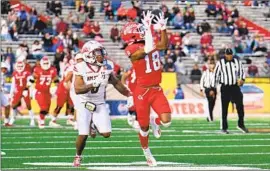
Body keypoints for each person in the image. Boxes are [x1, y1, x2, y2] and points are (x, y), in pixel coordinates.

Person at [121, 11, 171, 166]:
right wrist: (149, 28)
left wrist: (163, 28)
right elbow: (148, 49)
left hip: (156, 89)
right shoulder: (131, 49)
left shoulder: (146, 42)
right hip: (142, 91)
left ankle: (155, 122)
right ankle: (146, 151)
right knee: (143, 127)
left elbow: (164, 45)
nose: (142, 30)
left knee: (167, 121)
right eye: (139, 29)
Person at [72, 41, 131, 167]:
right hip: (84, 102)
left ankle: (92, 124)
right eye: (97, 53)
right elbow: (77, 89)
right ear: (88, 54)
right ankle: (78, 156)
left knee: (106, 134)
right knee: (83, 134)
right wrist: (93, 84)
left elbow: (116, 83)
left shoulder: (107, 66)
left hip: (99, 102)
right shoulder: (81, 67)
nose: (101, 55)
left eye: (101, 52)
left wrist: (128, 94)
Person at [211, 48, 248, 134]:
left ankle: (241, 124)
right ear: (225, 55)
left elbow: (242, 71)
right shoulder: (220, 63)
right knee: (224, 108)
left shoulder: (237, 61)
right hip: (225, 87)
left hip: (235, 87)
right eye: (228, 54)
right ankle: (224, 127)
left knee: (240, 106)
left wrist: (242, 79)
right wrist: (213, 88)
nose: (229, 56)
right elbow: (216, 75)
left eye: (231, 54)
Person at [33, 56, 58, 129]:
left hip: (47, 91)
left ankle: (40, 118)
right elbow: (32, 78)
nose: (46, 64)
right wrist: (26, 89)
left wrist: (56, 87)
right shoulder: (37, 69)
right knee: (43, 107)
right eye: (44, 63)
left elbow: (55, 78)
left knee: (47, 108)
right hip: (39, 91)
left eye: (47, 63)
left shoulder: (53, 70)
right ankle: (41, 121)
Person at [49, 59, 75, 127]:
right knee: (59, 106)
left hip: (71, 88)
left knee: (71, 105)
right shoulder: (70, 69)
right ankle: (52, 120)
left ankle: (70, 119)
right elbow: (67, 81)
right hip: (64, 87)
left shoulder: (74, 67)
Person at [9, 60, 35, 126]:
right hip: (18, 90)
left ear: (23, 66)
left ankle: (32, 120)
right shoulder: (14, 73)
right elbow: (13, 84)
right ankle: (13, 118)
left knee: (29, 105)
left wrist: (28, 90)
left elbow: (32, 80)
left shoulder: (27, 72)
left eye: (21, 66)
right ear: (16, 66)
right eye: (18, 66)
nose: (20, 67)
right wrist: (11, 93)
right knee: (14, 105)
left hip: (25, 90)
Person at [121, 67, 140, 131]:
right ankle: (130, 114)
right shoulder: (130, 69)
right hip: (132, 90)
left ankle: (137, 121)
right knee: (132, 107)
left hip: (140, 90)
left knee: (140, 107)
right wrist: (125, 86)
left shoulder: (142, 67)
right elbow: (124, 77)